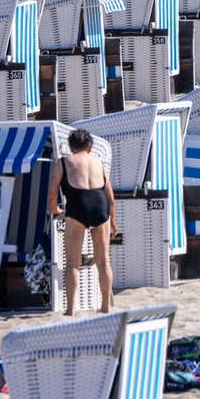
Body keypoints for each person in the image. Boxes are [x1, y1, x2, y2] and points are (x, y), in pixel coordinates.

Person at [47, 128, 117, 315]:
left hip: (77, 206)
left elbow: (52, 192)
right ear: (90, 147)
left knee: (72, 263)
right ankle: (105, 306)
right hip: (100, 207)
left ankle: (70, 309)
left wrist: (54, 209)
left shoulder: (64, 162)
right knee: (103, 262)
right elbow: (110, 197)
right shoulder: (99, 163)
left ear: (71, 147)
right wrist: (113, 222)